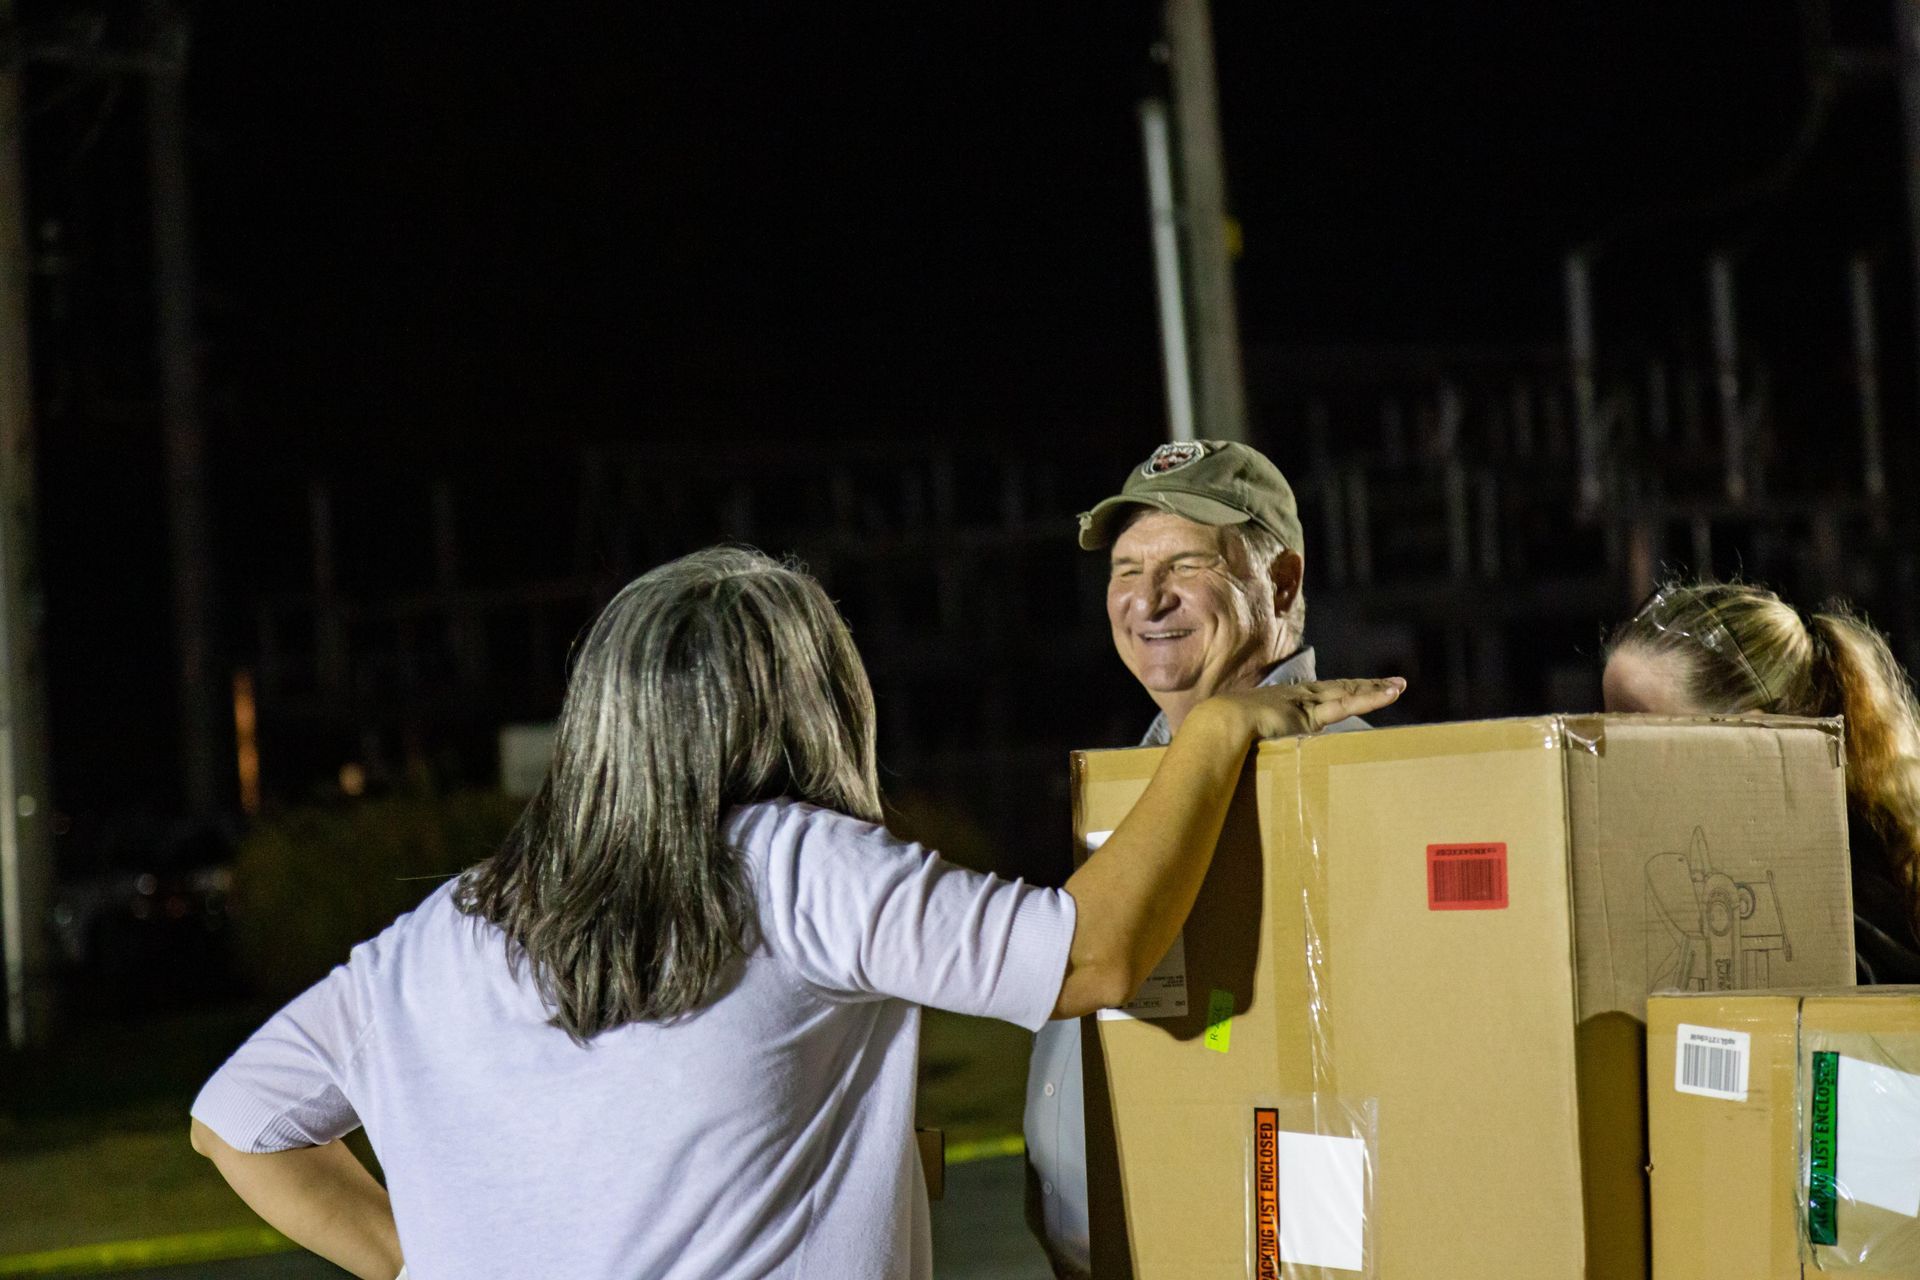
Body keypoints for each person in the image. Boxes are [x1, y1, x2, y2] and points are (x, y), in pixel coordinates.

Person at [187, 546, 1403, 1280]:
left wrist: (416, 1261)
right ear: (810, 702)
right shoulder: (795, 866)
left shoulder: (452, 923)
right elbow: (1092, 953)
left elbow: (236, 1122)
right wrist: (1220, 732)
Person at [1024, 439, 1369, 1278]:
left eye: (1184, 563)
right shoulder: (1134, 785)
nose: (1147, 598)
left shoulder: (1344, 793)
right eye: (1125, 569)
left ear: (1281, 583)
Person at [1604, 580, 1920, 984]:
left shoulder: (1847, 926)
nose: (1609, 759)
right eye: (1607, 727)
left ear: (1753, 741)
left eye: (1639, 734)